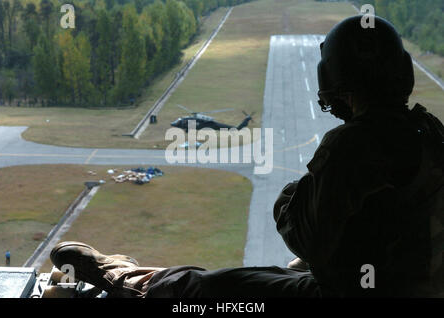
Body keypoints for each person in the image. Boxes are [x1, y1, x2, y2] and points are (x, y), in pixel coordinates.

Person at [50, 15, 443, 298]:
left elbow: (302, 236)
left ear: (336, 81)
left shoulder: (357, 143)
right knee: (283, 273)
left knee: (217, 288)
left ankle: (123, 278)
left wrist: (294, 193)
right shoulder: (430, 131)